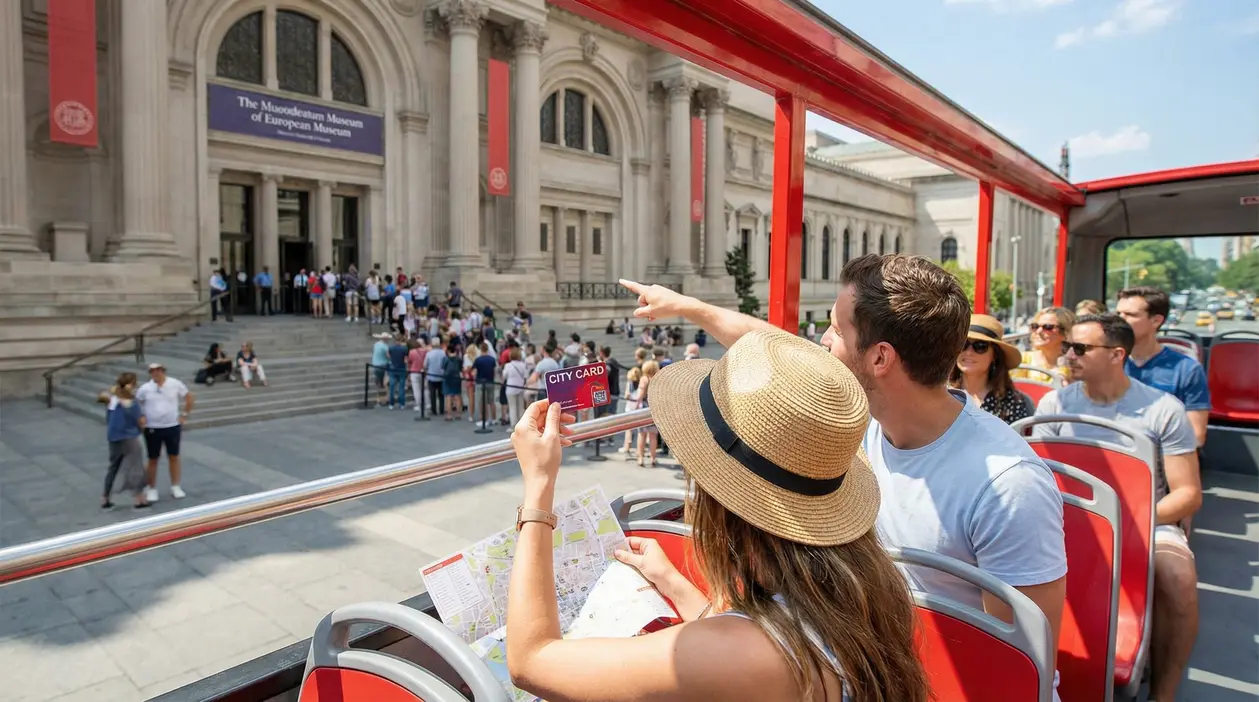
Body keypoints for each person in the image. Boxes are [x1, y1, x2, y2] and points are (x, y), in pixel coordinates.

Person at [621, 255, 1067, 693]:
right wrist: (688, 307)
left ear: (880, 359)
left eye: (835, 328)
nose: (821, 343)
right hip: (870, 667)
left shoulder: (1009, 486)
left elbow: (1020, 665)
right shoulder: (855, 420)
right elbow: (773, 349)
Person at [505, 328, 928, 702]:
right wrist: (671, 580)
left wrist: (539, 485)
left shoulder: (753, 655)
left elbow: (533, 661)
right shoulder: (864, 585)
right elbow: (741, 644)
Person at [1032, 313, 1201, 701]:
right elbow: (1040, 475)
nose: (1068, 355)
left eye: (1080, 348)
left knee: (1178, 579)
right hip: (1068, 516)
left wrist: (1126, 523)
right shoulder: (1056, 403)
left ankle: (1163, 692)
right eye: (1069, 346)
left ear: (1116, 354)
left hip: (1147, 521)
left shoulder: (1163, 410)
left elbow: (1187, 493)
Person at [1117, 286, 1210, 447]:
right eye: (1118, 313)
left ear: (1156, 321)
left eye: (1130, 315)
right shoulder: (1107, 362)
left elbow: (1196, 435)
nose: (1119, 320)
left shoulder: (1186, 370)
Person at [948, 314, 1034, 424]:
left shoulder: (1013, 402)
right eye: (963, 344)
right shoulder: (939, 394)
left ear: (995, 355)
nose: (969, 352)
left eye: (980, 346)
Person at [136, 363, 194, 502]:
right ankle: (151, 488)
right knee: (153, 458)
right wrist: (141, 416)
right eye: (152, 372)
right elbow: (137, 403)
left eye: (157, 371)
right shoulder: (145, 388)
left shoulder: (175, 384)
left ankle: (175, 485)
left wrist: (184, 414)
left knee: (173, 456)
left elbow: (188, 397)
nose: (155, 374)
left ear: (163, 371)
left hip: (172, 426)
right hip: (152, 427)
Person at [96, 373, 150, 510]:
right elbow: (139, 421)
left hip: (114, 437)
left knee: (113, 466)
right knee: (136, 466)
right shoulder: (131, 403)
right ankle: (138, 498)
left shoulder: (112, 400)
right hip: (129, 437)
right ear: (130, 385)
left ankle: (105, 497)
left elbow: (103, 399)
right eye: (134, 384)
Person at [1010, 306, 1075, 384]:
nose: (1038, 331)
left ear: (1065, 332)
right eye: (1035, 326)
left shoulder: (1075, 364)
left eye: (1048, 327)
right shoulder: (1022, 359)